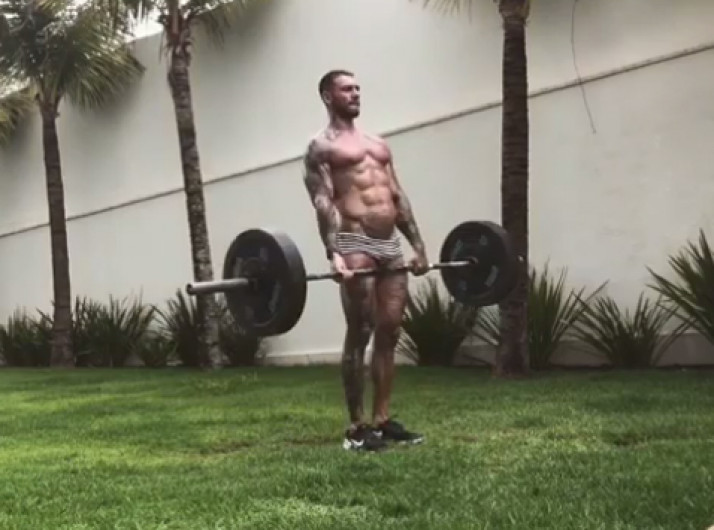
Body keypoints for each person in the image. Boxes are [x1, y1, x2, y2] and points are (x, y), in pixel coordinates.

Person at [302, 69, 430, 452]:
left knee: (390, 330)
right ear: (328, 96)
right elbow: (324, 201)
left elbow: (397, 195)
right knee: (361, 330)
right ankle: (357, 427)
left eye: (358, 88)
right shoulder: (320, 147)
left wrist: (418, 245)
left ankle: (383, 420)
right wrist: (334, 252)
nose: (356, 93)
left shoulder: (379, 144)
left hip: (390, 244)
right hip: (354, 242)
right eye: (347, 89)